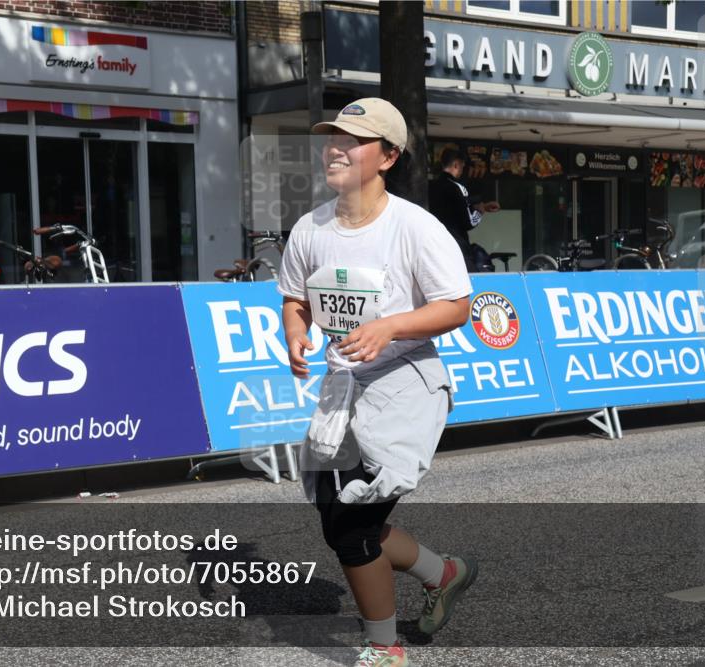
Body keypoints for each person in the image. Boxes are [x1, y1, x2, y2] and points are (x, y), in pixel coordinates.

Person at [277, 98, 478, 667]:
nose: (336, 148)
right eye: (332, 138)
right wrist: (294, 332)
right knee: (335, 515)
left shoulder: (415, 227)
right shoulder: (310, 228)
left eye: (354, 140)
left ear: (388, 156)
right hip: (342, 385)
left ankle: (384, 650)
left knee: (353, 525)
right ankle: (446, 573)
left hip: (404, 379)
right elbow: (296, 299)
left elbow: (457, 307)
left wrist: (389, 327)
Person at [429, 147, 500, 272]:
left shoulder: (431, 186)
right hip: (457, 247)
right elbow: (469, 222)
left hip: (435, 246)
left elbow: (452, 210)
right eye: (462, 166)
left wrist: (475, 206)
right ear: (456, 165)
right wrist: (480, 210)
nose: (462, 170)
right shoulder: (457, 187)